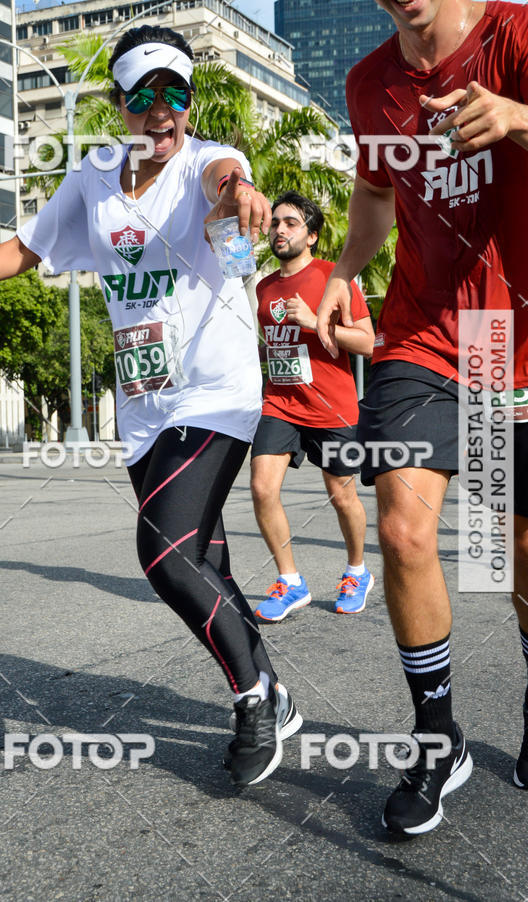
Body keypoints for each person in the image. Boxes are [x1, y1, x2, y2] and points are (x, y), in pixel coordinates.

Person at [0, 25, 303, 787]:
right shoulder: (93, 175)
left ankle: (256, 698)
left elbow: (228, 182)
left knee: (162, 553)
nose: (162, 111)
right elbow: (28, 248)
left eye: (177, 93)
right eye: (144, 97)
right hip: (144, 406)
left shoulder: (206, 163)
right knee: (204, 561)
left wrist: (242, 194)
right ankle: (278, 689)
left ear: (190, 103)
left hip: (217, 390)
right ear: (120, 106)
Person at [316, 0, 528, 834]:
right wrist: (344, 267)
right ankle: (439, 737)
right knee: (403, 528)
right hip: (424, 336)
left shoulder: (516, 35)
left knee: (518, 553)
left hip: (513, 336)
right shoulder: (370, 82)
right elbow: (374, 192)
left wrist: (515, 116)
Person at [250, 191, 375, 621]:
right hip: (280, 403)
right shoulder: (264, 287)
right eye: (275, 223)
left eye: (290, 223)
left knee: (342, 497)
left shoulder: (334, 279)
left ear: (313, 236)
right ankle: (291, 581)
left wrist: (315, 321)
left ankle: (357, 571)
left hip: (332, 407)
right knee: (263, 488)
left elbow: (367, 343)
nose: (279, 229)